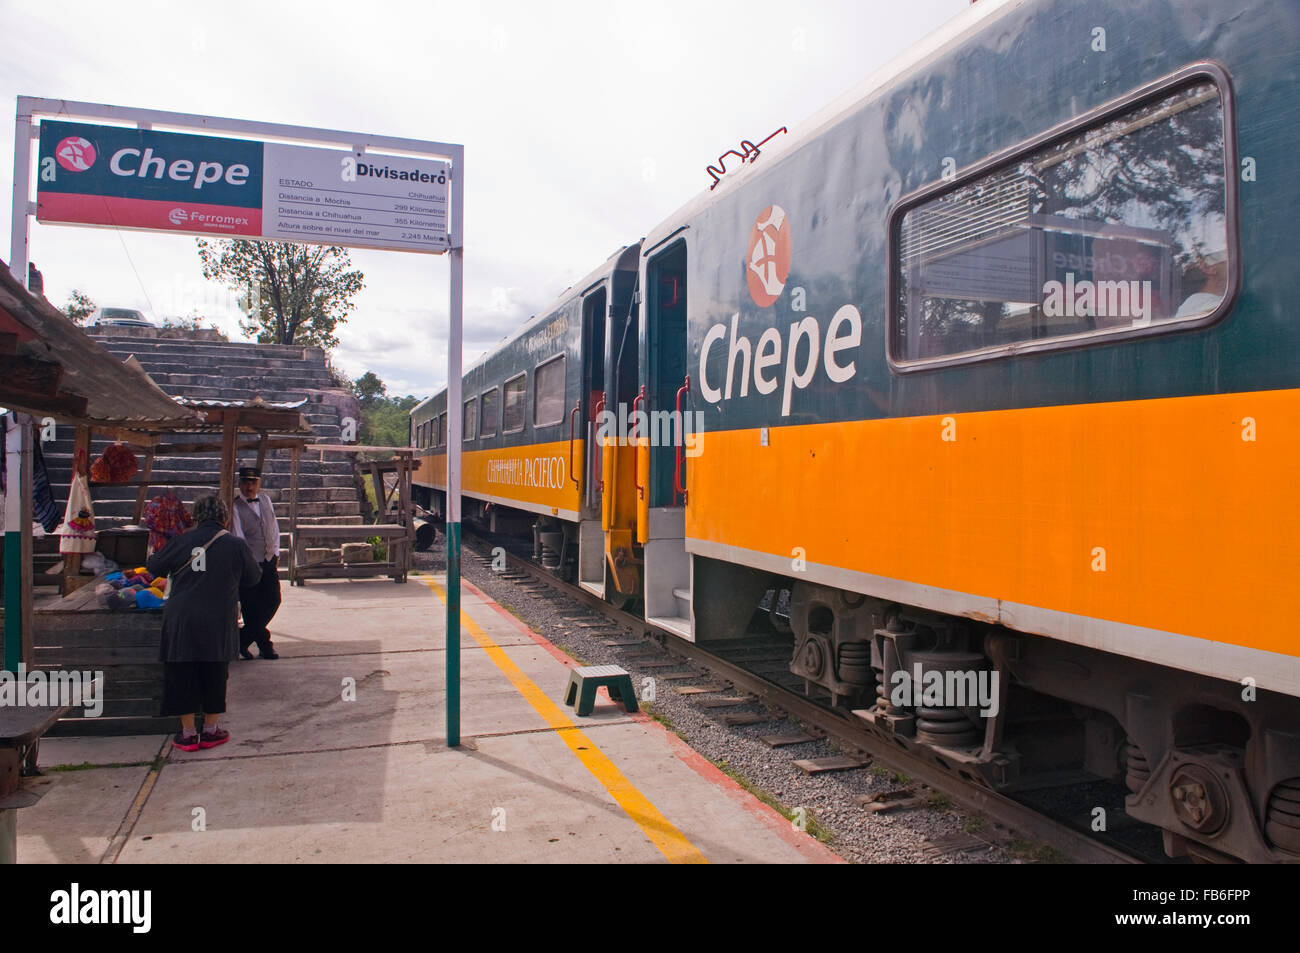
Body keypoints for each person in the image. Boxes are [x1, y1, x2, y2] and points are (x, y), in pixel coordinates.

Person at [147, 494, 261, 751]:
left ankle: (187, 733)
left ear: (196, 516)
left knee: (181, 671)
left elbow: (154, 566)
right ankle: (210, 730)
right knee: (215, 671)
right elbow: (254, 578)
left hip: (182, 618)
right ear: (224, 516)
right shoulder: (236, 545)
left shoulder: (181, 541)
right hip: (218, 618)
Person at [230, 466, 282, 660]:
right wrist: (249, 562)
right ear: (240, 484)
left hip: (268, 559)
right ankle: (265, 645)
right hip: (250, 562)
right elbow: (238, 536)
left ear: (258, 484)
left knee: (273, 600)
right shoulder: (235, 506)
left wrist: (275, 552)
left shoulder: (266, 501)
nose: (249, 486)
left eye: (253, 482)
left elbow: (273, 528)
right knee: (251, 606)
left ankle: (241, 640)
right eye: (245, 482)